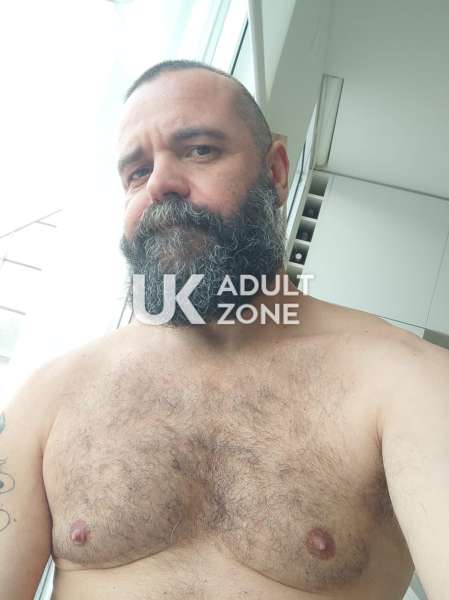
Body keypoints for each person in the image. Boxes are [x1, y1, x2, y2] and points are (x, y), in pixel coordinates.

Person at [1, 59, 448, 600]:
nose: (160, 185)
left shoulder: (408, 382)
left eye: (199, 150)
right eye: (137, 173)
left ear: (276, 172)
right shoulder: (50, 397)